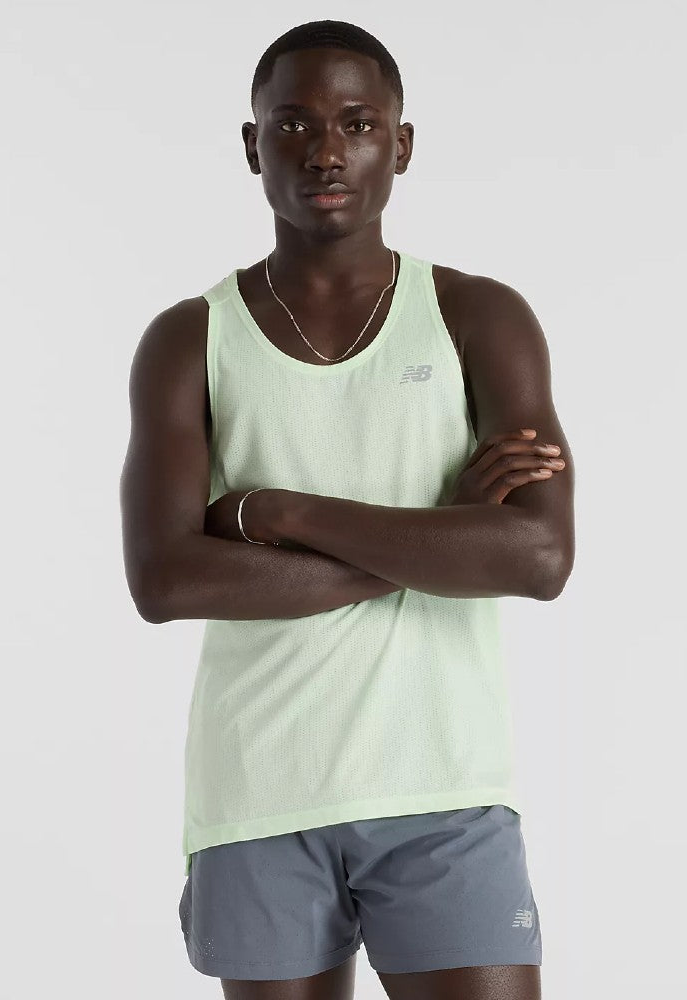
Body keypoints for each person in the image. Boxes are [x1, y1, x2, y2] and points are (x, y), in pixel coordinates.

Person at [120, 18, 574, 1000]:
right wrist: (441, 538)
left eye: (358, 123)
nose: (326, 150)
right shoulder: (191, 339)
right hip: (257, 794)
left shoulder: (476, 315)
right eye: (293, 124)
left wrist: (276, 511)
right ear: (253, 146)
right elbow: (165, 579)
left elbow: (537, 557)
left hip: (443, 786)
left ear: (400, 145)